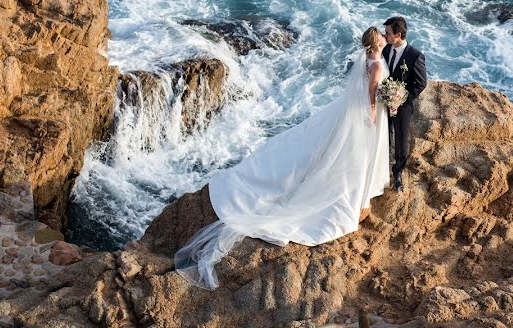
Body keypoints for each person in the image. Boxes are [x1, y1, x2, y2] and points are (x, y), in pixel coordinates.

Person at [174, 27, 391, 290]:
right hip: (366, 114)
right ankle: (354, 192)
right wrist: (374, 115)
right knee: (353, 153)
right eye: (381, 34)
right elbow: (371, 94)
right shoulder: (377, 64)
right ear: (376, 42)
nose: (383, 35)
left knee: (340, 148)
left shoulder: (369, 60)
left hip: (353, 111)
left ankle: (353, 188)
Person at [382, 16, 427, 192]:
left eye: (388, 33)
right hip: (383, 103)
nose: (385, 36)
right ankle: (381, 169)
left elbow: (421, 83)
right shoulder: (385, 49)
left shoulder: (415, 56)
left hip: (403, 106)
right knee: (383, 137)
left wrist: (402, 98)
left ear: (398, 34)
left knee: (401, 141)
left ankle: (398, 172)